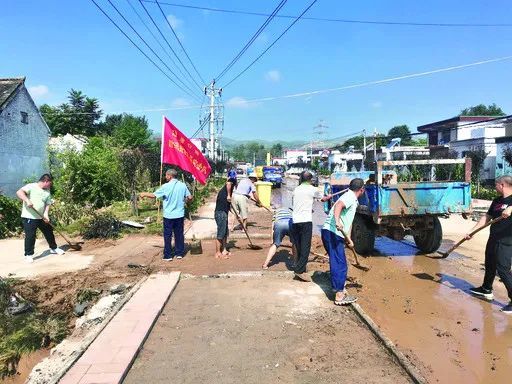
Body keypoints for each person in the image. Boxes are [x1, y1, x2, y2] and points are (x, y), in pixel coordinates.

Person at [466, 175, 512, 313]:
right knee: (490, 264)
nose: (495, 187)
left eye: (496, 185)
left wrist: (511, 208)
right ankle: (486, 289)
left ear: (502, 185)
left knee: (502, 269)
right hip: (493, 237)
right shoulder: (497, 201)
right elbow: (487, 217)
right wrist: (472, 231)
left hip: (506, 240)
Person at [321, 178, 365, 305]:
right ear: (361, 190)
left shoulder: (351, 198)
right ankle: (339, 296)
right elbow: (339, 205)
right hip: (333, 233)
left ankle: (340, 288)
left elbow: (348, 223)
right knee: (340, 264)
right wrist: (337, 221)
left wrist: (348, 239)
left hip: (331, 233)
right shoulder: (350, 196)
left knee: (338, 262)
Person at [139, 169, 192, 261]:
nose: (165, 177)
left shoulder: (165, 186)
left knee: (167, 235)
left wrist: (144, 194)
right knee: (179, 234)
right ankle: (179, 253)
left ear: (169, 176)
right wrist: (187, 201)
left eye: (166, 175)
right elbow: (190, 197)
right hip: (179, 214)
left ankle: (168, 255)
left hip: (168, 215)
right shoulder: (182, 185)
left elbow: (154, 195)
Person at [291, 171, 332, 282]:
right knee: (306, 247)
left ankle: (301, 269)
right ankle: (299, 271)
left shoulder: (296, 189)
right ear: (310, 180)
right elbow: (322, 198)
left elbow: (296, 203)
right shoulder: (312, 189)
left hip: (295, 220)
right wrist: (328, 197)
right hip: (305, 221)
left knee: (299, 245)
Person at [16, 174, 65, 263]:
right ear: (45, 181)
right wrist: (27, 200)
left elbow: (47, 203)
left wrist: (46, 214)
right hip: (29, 217)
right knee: (31, 236)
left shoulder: (47, 190)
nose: (50, 185)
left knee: (49, 231)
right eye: (49, 183)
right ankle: (28, 255)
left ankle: (53, 248)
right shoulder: (31, 186)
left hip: (41, 217)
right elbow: (19, 192)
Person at [215, 175, 237, 259]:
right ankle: (217, 252)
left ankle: (224, 250)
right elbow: (228, 183)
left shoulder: (229, 192)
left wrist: (235, 214)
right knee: (220, 233)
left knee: (225, 233)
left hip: (224, 213)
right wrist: (228, 195)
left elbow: (229, 206)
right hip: (220, 213)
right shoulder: (227, 188)